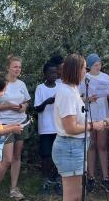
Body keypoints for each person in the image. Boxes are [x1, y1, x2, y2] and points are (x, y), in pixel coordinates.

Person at [51, 54, 107, 201]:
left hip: (75, 146)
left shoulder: (72, 90)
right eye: (84, 68)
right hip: (70, 146)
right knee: (72, 196)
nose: (86, 71)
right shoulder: (67, 92)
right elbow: (70, 128)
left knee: (77, 195)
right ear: (76, 70)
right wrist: (93, 125)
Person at [0, 56, 30, 201]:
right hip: (5, 125)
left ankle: (13, 189)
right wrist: (8, 106)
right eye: (15, 66)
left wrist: (23, 107)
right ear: (8, 68)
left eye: (19, 67)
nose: (18, 69)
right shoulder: (0, 84)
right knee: (7, 159)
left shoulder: (21, 84)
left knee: (16, 156)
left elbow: (26, 101)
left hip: (21, 123)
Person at [84, 53, 109, 193]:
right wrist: (88, 99)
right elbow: (79, 98)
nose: (98, 67)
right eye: (95, 65)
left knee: (102, 145)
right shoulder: (84, 77)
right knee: (91, 145)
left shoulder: (105, 77)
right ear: (89, 65)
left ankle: (105, 177)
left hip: (103, 114)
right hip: (90, 115)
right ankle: (91, 176)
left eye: (99, 64)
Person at [34, 61, 61, 194]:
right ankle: (45, 181)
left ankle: (56, 180)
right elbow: (37, 108)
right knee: (46, 155)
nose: (54, 75)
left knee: (58, 155)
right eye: (51, 73)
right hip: (45, 128)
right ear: (45, 74)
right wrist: (47, 101)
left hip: (59, 128)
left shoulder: (60, 87)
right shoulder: (40, 88)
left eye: (56, 72)